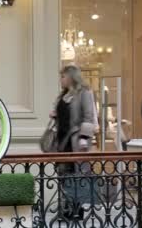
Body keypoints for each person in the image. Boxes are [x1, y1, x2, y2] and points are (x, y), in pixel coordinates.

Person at [50, 65, 97, 219]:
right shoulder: (63, 95)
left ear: (71, 77)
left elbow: (88, 116)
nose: (61, 80)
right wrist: (55, 115)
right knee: (63, 175)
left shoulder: (84, 93)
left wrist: (84, 138)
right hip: (62, 141)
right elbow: (63, 115)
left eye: (63, 76)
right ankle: (66, 208)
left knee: (77, 176)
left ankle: (76, 209)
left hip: (76, 141)